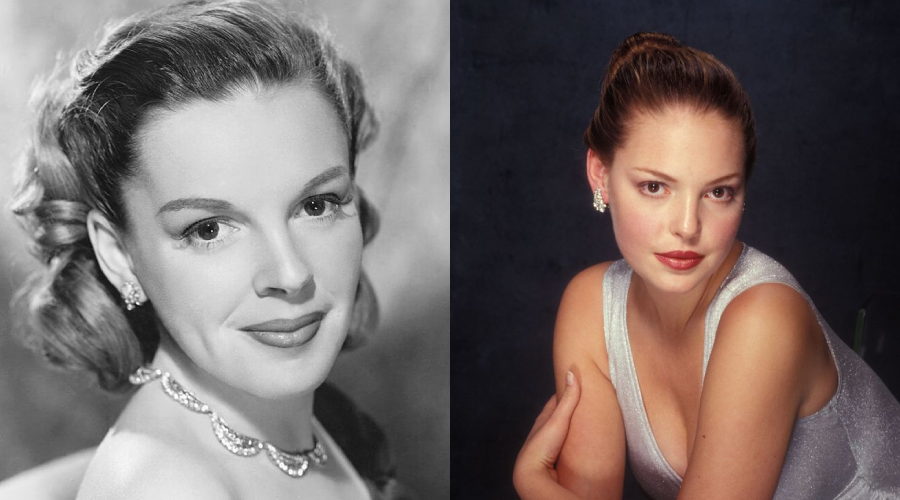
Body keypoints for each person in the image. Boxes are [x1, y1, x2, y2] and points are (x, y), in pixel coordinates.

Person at [4, 1, 415, 498]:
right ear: (117, 254)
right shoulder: (167, 488)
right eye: (209, 230)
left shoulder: (329, 425)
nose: (290, 274)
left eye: (316, 204)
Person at [513, 32, 900, 499]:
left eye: (718, 192)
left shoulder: (763, 320)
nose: (687, 226)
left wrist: (534, 484)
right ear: (601, 175)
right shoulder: (589, 308)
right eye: (655, 187)